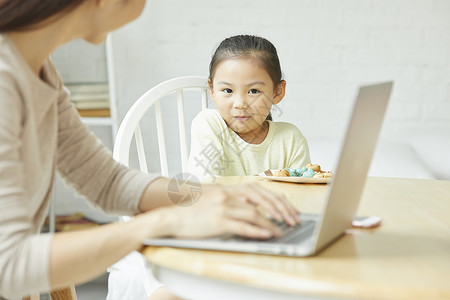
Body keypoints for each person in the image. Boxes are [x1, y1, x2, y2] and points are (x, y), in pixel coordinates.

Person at [0, 1, 300, 299]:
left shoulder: (39, 68)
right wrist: (166, 220)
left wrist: (212, 197)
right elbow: (8, 264)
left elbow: (107, 183)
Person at [187, 35, 311, 179]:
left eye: (254, 91)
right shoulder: (208, 123)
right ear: (212, 89)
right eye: (228, 90)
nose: (240, 104)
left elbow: (303, 193)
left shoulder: (290, 139)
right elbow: (204, 186)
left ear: (277, 92)